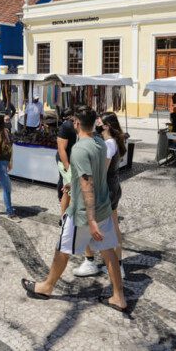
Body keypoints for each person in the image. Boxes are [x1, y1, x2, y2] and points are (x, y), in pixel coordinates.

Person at [20, 106, 127, 313]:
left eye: (73, 121)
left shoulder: (79, 149)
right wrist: (74, 185)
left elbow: (87, 183)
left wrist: (91, 218)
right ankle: (118, 297)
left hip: (84, 213)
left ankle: (47, 287)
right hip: (104, 206)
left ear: (77, 123)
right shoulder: (99, 143)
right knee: (108, 251)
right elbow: (92, 174)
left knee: (62, 249)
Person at [73, 111, 128, 278]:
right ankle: (115, 264)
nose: (96, 122)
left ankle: (92, 262)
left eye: (99, 121)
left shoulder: (109, 144)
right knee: (111, 226)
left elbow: (101, 171)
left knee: (90, 223)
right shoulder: (111, 141)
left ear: (106, 126)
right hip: (113, 186)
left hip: (107, 189)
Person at [56, 108, 77, 216]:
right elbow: (61, 148)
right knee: (70, 190)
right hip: (66, 161)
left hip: (74, 162)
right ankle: (65, 217)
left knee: (67, 188)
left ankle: (65, 216)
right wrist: (67, 167)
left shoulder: (81, 126)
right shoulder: (66, 126)